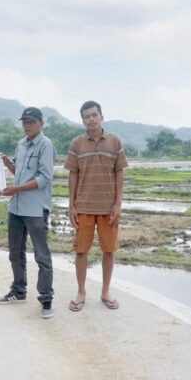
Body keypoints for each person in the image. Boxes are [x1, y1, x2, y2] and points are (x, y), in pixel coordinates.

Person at [0, 107, 55, 319]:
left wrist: (16, 189)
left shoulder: (45, 144)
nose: (27, 125)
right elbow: (19, 173)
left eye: (32, 121)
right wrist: (8, 164)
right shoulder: (21, 144)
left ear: (41, 123)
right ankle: (18, 291)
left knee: (41, 255)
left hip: (35, 209)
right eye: (25, 121)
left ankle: (46, 299)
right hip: (16, 208)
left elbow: (44, 178)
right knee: (15, 252)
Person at [64, 100, 128, 312]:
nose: (91, 119)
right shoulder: (77, 144)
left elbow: (119, 173)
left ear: (101, 117)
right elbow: (73, 174)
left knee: (109, 251)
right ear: (82, 120)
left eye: (94, 115)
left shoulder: (115, 142)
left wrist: (118, 203)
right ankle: (81, 292)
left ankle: (105, 291)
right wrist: (71, 205)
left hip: (108, 208)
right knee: (81, 251)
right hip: (83, 206)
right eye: (86, 116)